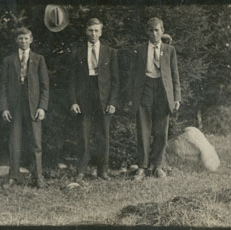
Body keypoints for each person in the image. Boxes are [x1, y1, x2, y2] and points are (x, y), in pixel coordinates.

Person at [128, 17, 181, 180]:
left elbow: (174, 74)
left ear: (162, 31)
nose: (154, 33)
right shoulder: (140, 49)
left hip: (163, 91)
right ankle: (142, 167)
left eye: (157, 30)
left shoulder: (169, 50)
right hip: (145, 89)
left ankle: (158, 166)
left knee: (161, 130)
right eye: (151, 30)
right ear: (147, 32)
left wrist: (176, 97)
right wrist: (132, 97)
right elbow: (133, 76)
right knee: (143, 129)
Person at [69, 18, 119, 182]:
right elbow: (72, 80)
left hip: (103, 97)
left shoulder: (109, 52)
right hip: (84, 96)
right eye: (91, 30)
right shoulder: (77, 52)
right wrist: (73, 101)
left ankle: (102, 171)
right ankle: (81, 171)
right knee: (83, 134)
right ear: (86, 31)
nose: (93, 34)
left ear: (101, 32)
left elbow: (115, 81)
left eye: (97, 31)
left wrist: (112, 102)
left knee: (103, 134)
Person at [0, 27, 49, 188]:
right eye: (20, 38)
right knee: (14, 140)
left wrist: (42, 107)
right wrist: (4, 108)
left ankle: (38, 177)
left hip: (33, 105)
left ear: (31, 39)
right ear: (16, 40)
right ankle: (13, 176)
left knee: (36, 141)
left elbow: (45, 86)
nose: (23, 41)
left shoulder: (39, 59)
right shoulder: (9, 60)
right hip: (15, 105)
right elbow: (3, 86)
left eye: (26, 38)